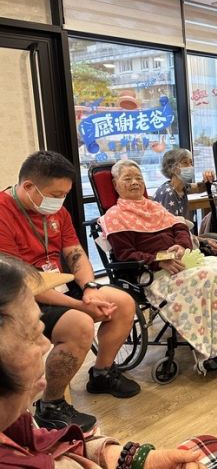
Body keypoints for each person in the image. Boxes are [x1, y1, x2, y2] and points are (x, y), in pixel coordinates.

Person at [0, 253, 217, 469]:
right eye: (32, 335)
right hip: (124, 278)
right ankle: (53, 403)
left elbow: (41, 440)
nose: (45, 345)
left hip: (73, 287)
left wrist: (136, 458)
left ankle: (102, 372)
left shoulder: (15, 420)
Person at [0, 151, 139, 433]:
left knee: (123, 303)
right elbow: (21, 283)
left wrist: (89, 289)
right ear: (29, 186)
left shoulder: (56, 212)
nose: (60, 201)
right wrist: (79, 306)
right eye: (55, 194)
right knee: (80, 324)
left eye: (64, 194)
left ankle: (102, 373)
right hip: (24, 298)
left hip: (62, 284)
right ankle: (51, 404)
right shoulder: (3, 213)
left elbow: (75, 253)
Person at [100, 160, 217, 371]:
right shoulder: (115, 217)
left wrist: (182, 245)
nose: (135, 182)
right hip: (153, 272)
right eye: (127, 178)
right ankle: (211, 344)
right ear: (115, 184)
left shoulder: (154, 206)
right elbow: (126, 254)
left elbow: (180, 227)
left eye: (139, 178)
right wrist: (158, 260)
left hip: (180, 262)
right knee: (209, 277)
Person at [153, 148, 214, 220]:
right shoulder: (168, 193)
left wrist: (208, 177)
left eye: (191, 163)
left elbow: (201, 187)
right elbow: (171, 224)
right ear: (172, 167)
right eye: (185, 163)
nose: (190, 167)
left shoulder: (182, 187)